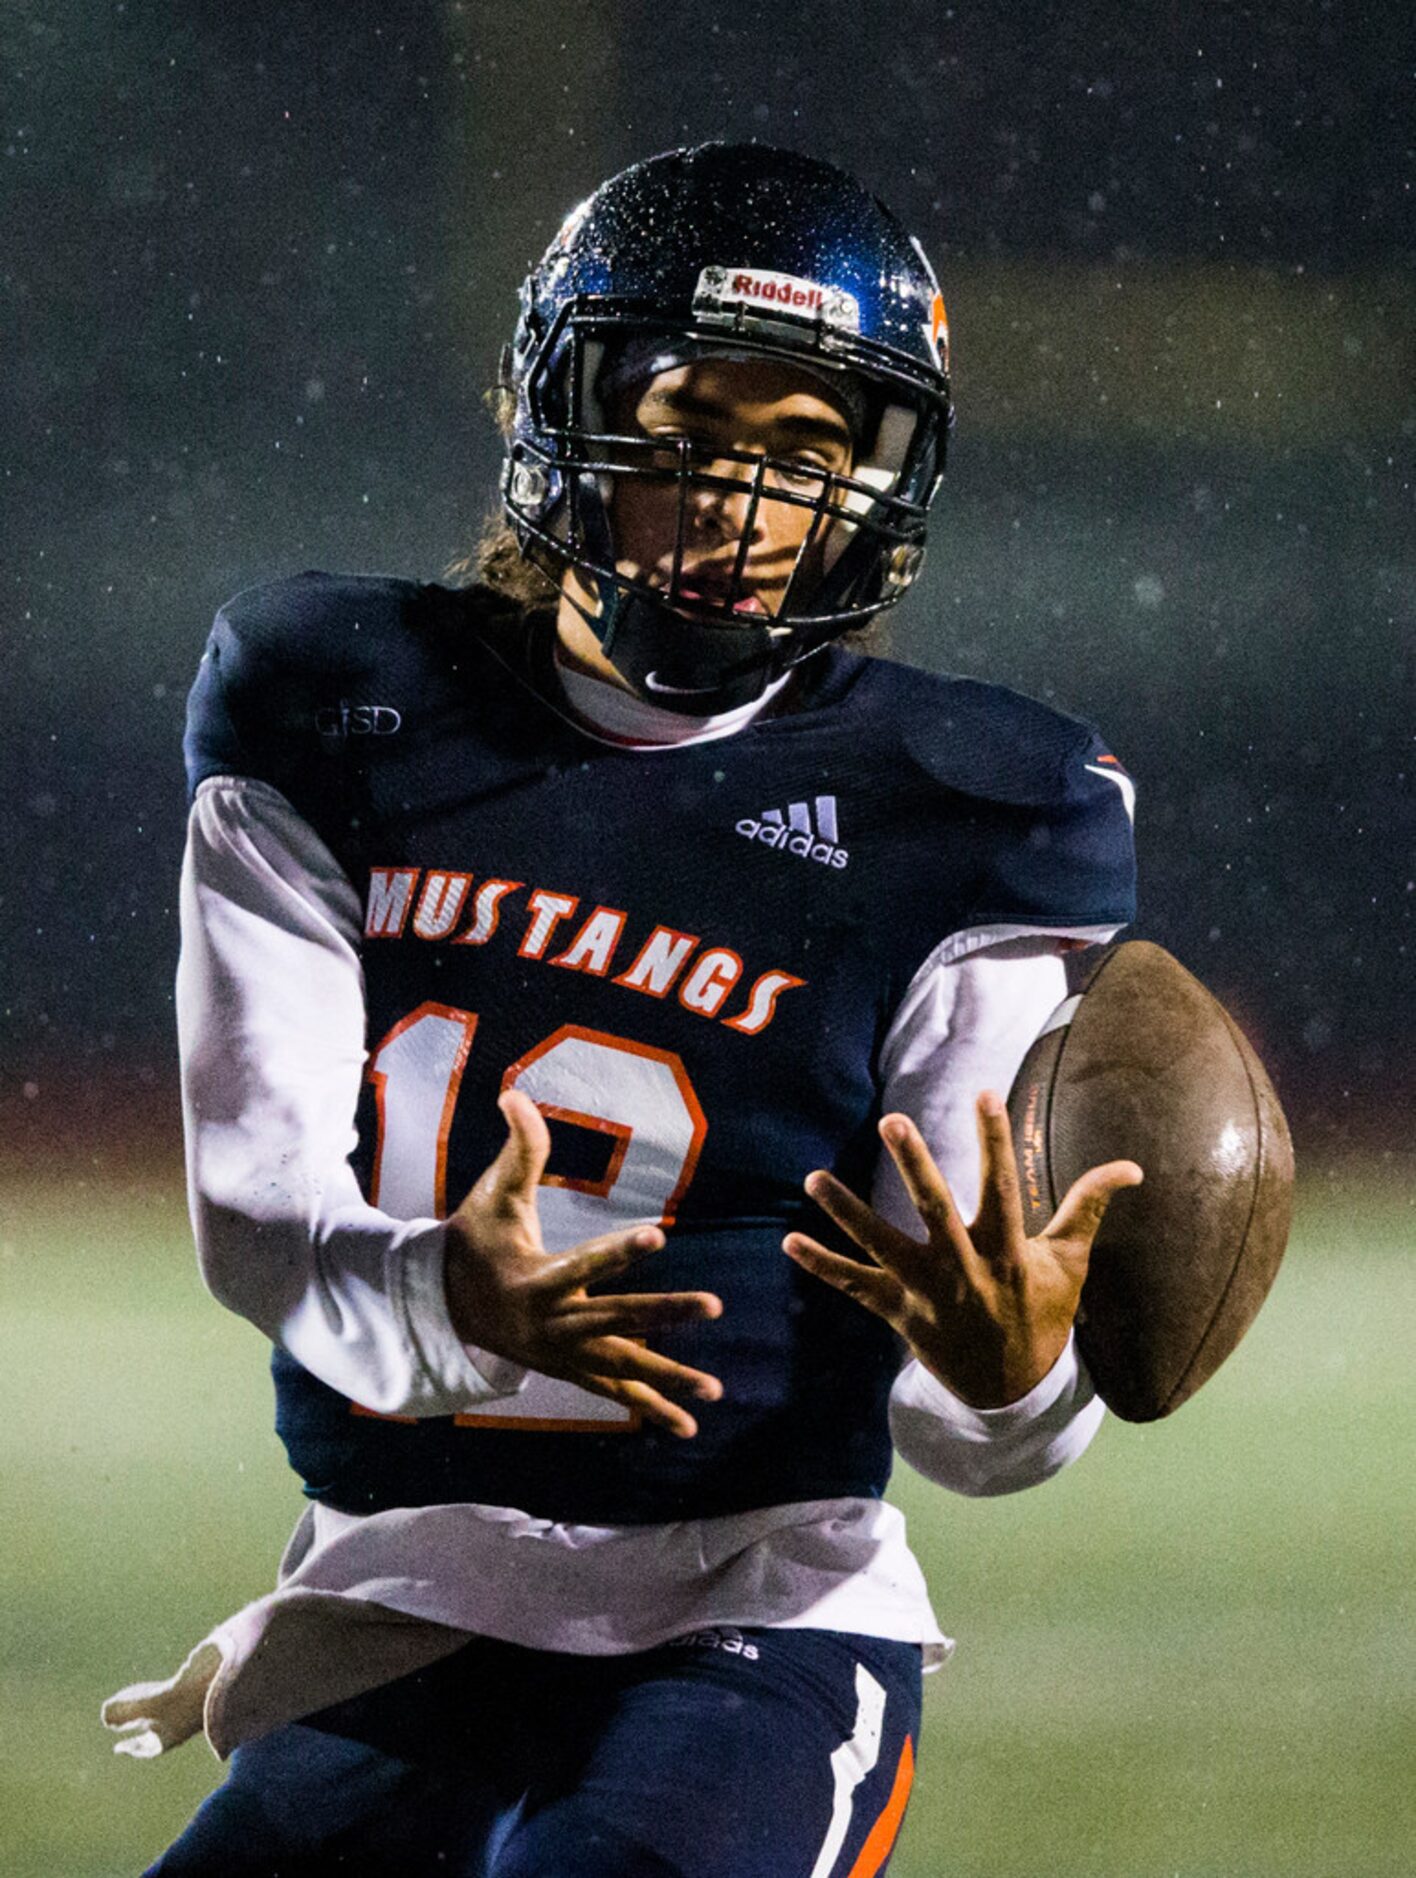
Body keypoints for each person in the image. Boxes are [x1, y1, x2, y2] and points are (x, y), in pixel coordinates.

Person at [105, 142, 1141, 1876]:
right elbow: (259, 1203)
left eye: (809, 451)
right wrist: (442, 1290)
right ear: (562, 405)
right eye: (689, 428)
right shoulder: (336, 707)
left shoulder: (969, 805)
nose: (742, 501)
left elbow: (968, 1399)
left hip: (764, 1603)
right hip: (409, 1590)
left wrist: (1023, 1377)